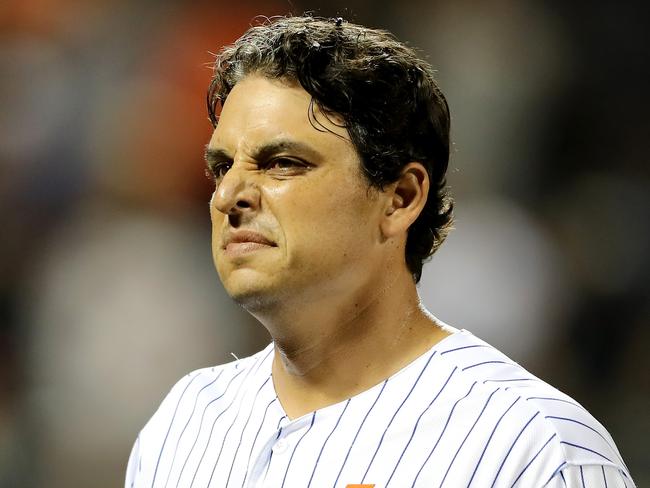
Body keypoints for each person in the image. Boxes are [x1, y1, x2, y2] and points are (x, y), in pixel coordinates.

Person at [125, 16, 635, 487]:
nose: (227, 195)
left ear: (401, 197)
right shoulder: (185, 421)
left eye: (281, 163)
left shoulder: (531, 444)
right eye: (222, 166)